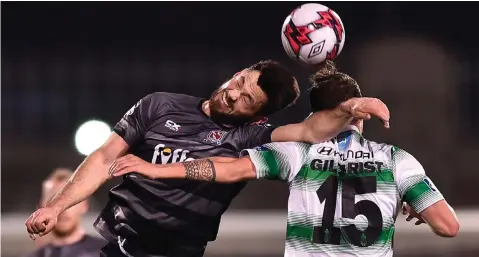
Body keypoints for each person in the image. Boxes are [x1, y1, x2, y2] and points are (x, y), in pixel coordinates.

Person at [26, 60, 390, 257]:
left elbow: (309, 131)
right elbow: (104, 156)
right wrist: (56, 207)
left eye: (246, 99)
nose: (233, 94)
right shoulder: (158, 105)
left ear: (257, 117)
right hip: (121, 247)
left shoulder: (249, 136)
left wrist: (350, 107)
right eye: (239, 81)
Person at [110, 61, 459, 257]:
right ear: (361, 117)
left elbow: (227, 169)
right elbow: (448, 227)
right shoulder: (397, 161)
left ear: (319, 115)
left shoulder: (295, 153)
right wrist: (410, 199)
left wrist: (154, 168)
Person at [25, 168, 105, 257]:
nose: (62, 209)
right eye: (53, 200)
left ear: (84, 205)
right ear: (41, 207)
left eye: (70, 202)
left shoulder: (107, 253)